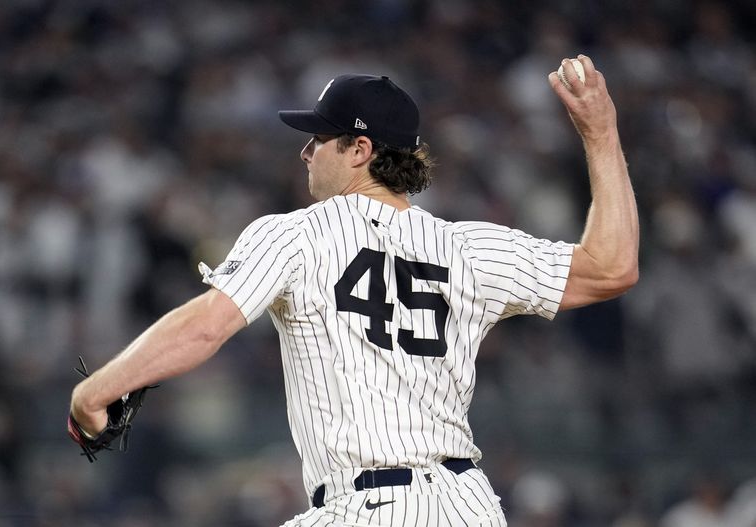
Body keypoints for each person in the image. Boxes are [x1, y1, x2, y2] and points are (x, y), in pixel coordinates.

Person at [69, 55, 638, 526]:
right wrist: (602, 134)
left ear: (360, 151)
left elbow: (205, 326)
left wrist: (95, 392)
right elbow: (612, 267)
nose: (305, 151)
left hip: (369, 506)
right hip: (470, 507)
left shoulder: (296, 234)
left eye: (319, 138)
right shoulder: (467, 248)